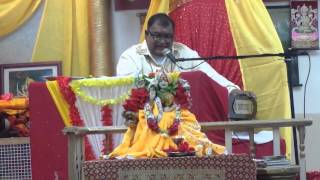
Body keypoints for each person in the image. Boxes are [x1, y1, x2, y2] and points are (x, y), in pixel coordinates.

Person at [116, 13, 239, 93]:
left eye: (167, 37)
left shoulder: (184, 53)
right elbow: (129, 93)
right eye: (157, 36)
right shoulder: (130, 57)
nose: (163, 41)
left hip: (186, 121)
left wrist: (233, 90)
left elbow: (212, 77)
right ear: (147, 35)